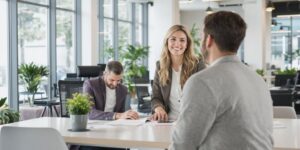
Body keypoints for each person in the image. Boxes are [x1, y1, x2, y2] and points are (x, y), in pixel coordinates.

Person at [169, 11, 273, 150]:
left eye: (202, 36)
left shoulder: (202, 82)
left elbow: (182, 145)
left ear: (209, 40)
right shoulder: (258, 80)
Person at [151, 25, 206, 121]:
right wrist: (158, 108)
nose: (177, 44)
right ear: (167, 42)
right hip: (168, 122)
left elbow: (205, 95)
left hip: (192, 121)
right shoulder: (160, 66)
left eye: (182, 40)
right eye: (173, 39)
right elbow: (156, 97)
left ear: (187, 44)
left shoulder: (198, 64)